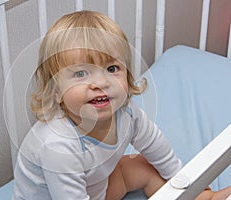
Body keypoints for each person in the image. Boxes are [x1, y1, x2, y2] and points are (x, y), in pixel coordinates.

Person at [12, 10, 231, 200]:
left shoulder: (127, 114)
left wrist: (189, 183)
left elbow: (157, 148)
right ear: (56, 90)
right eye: (81, 73)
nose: (100, 83)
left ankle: (203, 197)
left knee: (144, 166)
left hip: (98, 186)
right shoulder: (57, 146)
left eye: (112, 69)